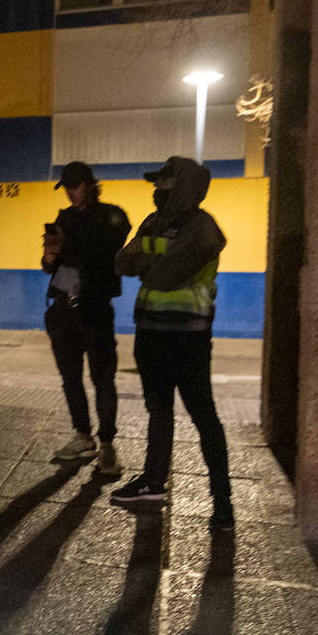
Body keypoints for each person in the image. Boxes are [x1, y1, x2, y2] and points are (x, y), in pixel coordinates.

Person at [110, 155, 234, 533]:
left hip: (188, 338)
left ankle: (223, 501)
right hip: (149, 332)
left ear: (182, 187)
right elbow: (121, 263)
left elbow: (165, 276)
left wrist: (147, 260)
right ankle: (152, 482)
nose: (156, 191)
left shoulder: (203, 226)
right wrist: (150, 260)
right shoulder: (153, 222)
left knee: (203, 415)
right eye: (155, 185)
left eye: (163, 184)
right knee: (158, 410)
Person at [40, 161, 131, 476]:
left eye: (76, 186)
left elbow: (104, 254)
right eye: (66, 187)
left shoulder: (112, 216)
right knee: (71, 379)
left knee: (103, 379)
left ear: (90, 184)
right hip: (63, 308)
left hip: (94, 310)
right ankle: (83, 436)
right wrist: (49, 257)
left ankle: (107, 445)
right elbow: (52, 265)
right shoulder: (64, 218)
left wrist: (68, 246)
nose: (71, 193)